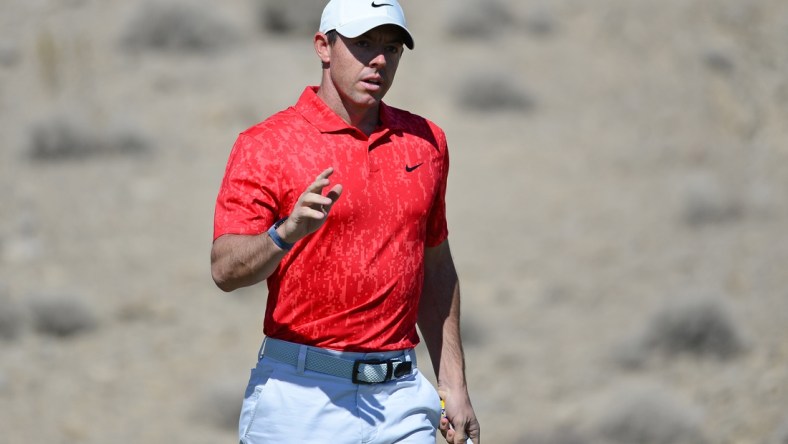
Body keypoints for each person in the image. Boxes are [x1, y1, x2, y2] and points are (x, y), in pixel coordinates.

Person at [210, 0, 479, 442]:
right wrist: (285, 233)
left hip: (401, 397)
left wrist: (454, 384)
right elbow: (224, 270)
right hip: (300, 396)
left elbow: (436, 269)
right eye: (363, 43)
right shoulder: (267, 144)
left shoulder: (425, 142)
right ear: (323, 46)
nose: (378, 60)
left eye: (392, 48)